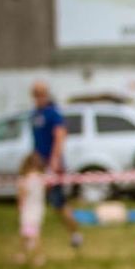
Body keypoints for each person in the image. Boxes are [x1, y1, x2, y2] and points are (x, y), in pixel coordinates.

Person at [28, 81, 82, 248]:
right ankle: (31, 238)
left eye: (41, 93)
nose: (39, 97)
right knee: (33, 202)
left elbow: (60, 136)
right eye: (36, 94)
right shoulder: (34, 114)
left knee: (59, 203)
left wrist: (54, 162)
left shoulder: (53, 113)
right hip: (38, 164)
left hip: (52, 165)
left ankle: (75, 234)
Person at [16, 152, 46, 265]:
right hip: (38, 209)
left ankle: (38, 255)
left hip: (28, 210)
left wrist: (20, 206)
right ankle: (23, 254)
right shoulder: (41, 178)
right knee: (30, 233)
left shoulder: (24, 179)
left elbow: (21, 195)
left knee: (30, 233)